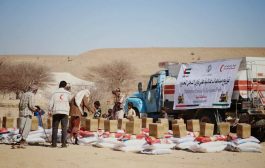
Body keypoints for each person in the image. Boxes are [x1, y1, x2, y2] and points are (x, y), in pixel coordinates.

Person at [48, 81, 71, 148]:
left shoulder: (54, 93)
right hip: (65, 112)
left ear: (59, 85)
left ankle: (54, 144)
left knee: (55, 128)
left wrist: (49, 111)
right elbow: (70, 102)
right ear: (65, 86)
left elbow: (51, 103)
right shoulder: (68, 93)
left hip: (56, 111)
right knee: (64, 128)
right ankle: (63, 144)